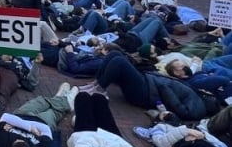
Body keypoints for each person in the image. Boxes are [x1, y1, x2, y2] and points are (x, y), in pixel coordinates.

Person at [80, 50, 210, 120]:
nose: (208, 93)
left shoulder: (198, 106)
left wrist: (164, 90)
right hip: (148, 82)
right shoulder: (194, 91)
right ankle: (96, 83)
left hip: (147, 93)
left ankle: (100, 89)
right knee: (115, 54)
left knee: (119, 61)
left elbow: (181, 110)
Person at [0, 83, 77, 147]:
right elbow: (46, 129)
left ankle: (63, 99)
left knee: (41, 101)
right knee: (54, 112)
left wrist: (30, 128)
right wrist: (16, 123)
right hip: (42, 122)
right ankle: (64, 100)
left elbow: (5, 116)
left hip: (22, 115)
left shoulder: (1, 143)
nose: (17, 139)